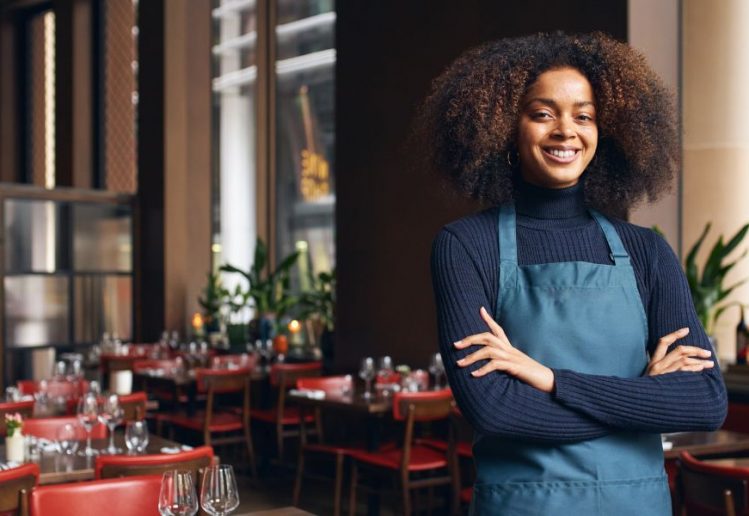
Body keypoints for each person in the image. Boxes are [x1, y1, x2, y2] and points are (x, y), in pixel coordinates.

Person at [424, 32, 727, 515]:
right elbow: (494, 409)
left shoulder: (646, 250)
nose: (566, 130)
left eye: (584, 116)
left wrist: (547, 379)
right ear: (506, 128)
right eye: (543, 113)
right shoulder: (466, 246)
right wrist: (645, 398)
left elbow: (705, 403)